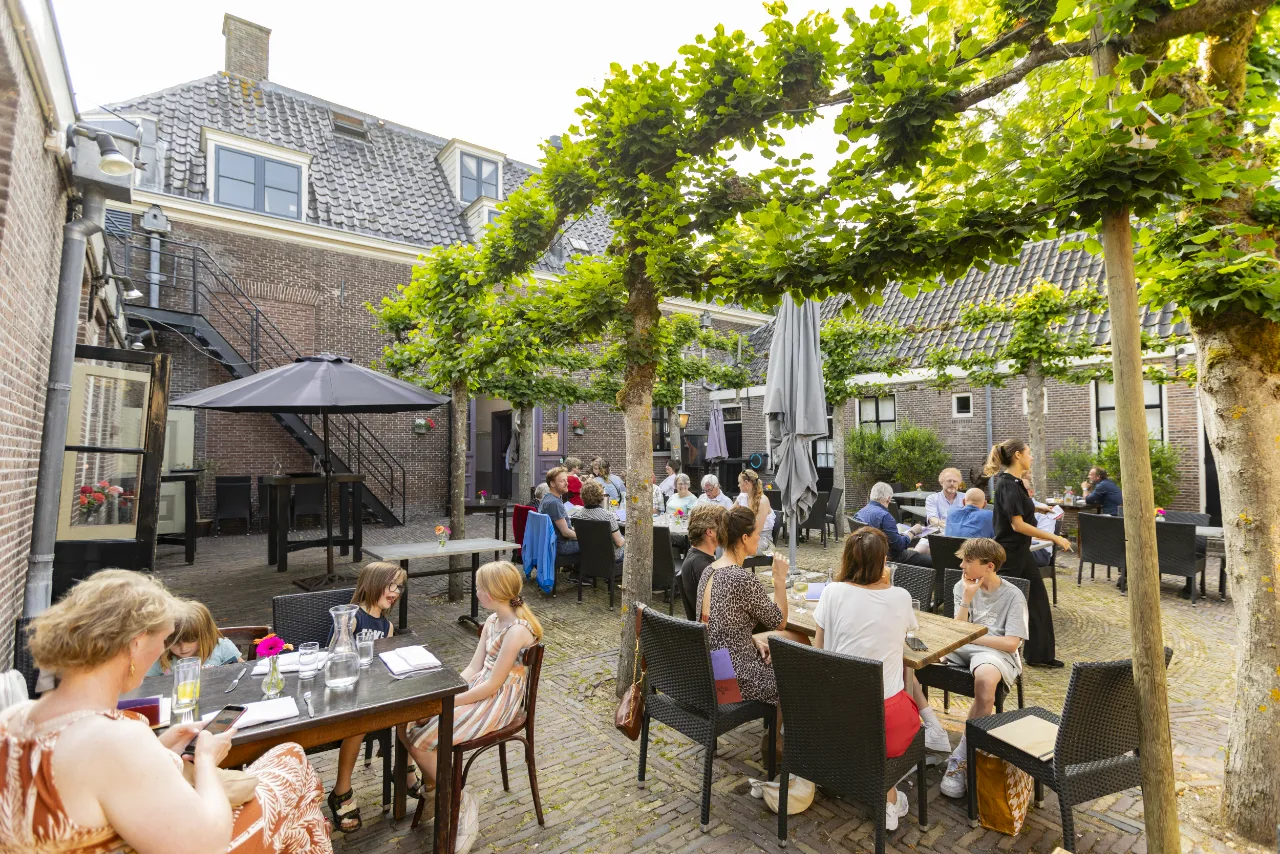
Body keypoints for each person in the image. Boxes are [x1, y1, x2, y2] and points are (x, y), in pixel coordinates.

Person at [3, 570, 330, 854]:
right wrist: (203, 760)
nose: (163, 653)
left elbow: (89, 783)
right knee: (292, 762)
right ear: (135, 644)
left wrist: (160, 751)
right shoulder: (116, 738)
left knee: (296, 802)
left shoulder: (15, 716)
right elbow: (207, 845)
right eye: (162, 642)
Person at [813, 527, 952, 830]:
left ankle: (858, 778)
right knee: (904, 675)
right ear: (884, 561)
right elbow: (904, 634)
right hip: (887, 723)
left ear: (847, 559)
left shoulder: (832, 592)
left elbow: (818, 652)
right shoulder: (900, 598)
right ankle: (889, 794)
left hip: (833, 719)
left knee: (867, 702)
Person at [401, 561, 541, 823]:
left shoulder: (517, 631)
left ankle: (458, 799)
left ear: (491, 593)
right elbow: (474, 667)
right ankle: (433, 789)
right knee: (407, 722)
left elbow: (492, 685)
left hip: (498, 701)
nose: (475, 591)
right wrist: (445, 694)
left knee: (420, 742)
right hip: (481, 690)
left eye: (478, 587)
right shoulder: (492, 620)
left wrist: (447, 704)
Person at [939, 538, 1030, 799]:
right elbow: (957, 630)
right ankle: (929, 731)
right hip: (962, 646)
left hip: (995, 652)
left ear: (989, 566)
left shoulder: (1013, 596)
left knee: (986, 681)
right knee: (910, 661)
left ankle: (964, 754)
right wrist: (967, 599)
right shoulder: (963, 585)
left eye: (968, 561)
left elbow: (1011, 643)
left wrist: (972, 637)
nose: (961, 565)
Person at [327, 561, 406, 831]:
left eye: (399, 587)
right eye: (391, 585)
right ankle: (341, 790)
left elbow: (384, 665)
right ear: (374, 584)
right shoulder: (352, 618)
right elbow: (332, 655)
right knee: (360, 720)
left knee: (412, 711)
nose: (396, 591)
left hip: (373, 693)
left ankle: (403, 769)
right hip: (348, 696)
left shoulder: (388, 627)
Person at [984, 439, 1073, 667]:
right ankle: (989, 652)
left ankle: (1039, 656)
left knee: (1038, 602)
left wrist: (1037, 507)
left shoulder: (1014, 483)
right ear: (1017, 455)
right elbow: (1017, 525)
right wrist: (1055, 537)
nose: (1031, 457)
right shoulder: (1007, 484)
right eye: (1029, 453)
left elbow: (1018, 506)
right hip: (1009, 556)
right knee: (1001, 605)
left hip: (1021, 553)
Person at [146, 599, 244, 677]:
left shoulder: (222, 647)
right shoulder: (160, 656)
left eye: (191, 640)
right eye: (174, 642)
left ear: (205, 634)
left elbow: (243, 671)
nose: (183, 648)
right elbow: (146, 685)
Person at [855, 482, 932, 567]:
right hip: (888, 558)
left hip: (866, 557)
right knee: (931, 561)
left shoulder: (860, 513)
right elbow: (899, 546)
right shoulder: (885, 516)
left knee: (917, 551)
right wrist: (912, 532)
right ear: (888, 499)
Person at [680, 503, 726, 620]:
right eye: (724, 526)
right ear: (710, 532)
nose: (727, 530)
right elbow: (719, 615)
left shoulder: (695, 557)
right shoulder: (703, 566)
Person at [576, 479, 625, 562]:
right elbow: (619, 543)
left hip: (588, 554)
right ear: (600, 495)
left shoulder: (578, 515)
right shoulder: (608, 516)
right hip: (609, 556)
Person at [1021, 475, 1061, 567]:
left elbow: (1045, 537)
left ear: (1031, 492)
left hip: (1041, 552)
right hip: (1023, 548)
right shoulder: (1014, 510)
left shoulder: (1045, 510)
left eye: (1022, 490)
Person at [539, 466, 579, 555]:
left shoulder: (547, 497)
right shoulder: (554, 503)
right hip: (561, 545)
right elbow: (565, 533)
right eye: (562, 481)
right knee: (593, 542)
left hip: (554, 543)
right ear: (552, 484)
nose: (567, 483)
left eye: (566, 480)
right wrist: (583, 537)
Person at [736, 470, 776, 555]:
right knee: (724, 543)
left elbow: (757, 529)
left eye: (740, 482)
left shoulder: (763, 501)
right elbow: (730, 513)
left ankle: (733, 568)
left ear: (746, 483)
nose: (738, 485)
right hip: (746, 536)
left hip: (763, 540)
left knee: (735, 548)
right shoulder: (742, 497)